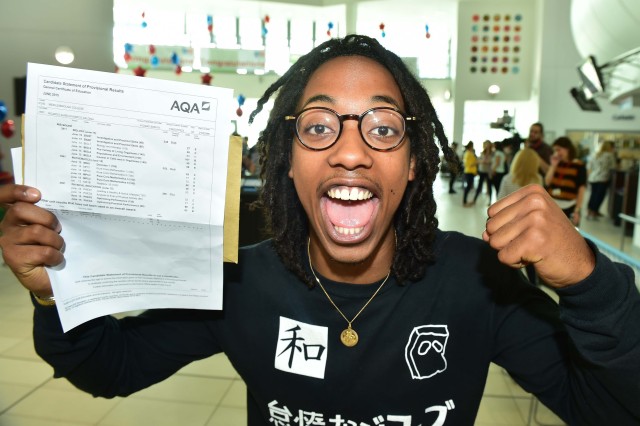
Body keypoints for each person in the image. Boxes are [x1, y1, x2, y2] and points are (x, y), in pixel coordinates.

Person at [0, 35, 639, 426]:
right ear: (288, 158)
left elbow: (610, 409)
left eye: (383, 128)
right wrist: (55, 292)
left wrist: (590, 282)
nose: (352, 153)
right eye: (319, 126)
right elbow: (110, 368)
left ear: (414, 164)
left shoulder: (478, 286)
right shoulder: (239, 281)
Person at [496, 147, 543, 284]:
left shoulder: (507, 179)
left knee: (511, 258)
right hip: (530, 226)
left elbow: (499, 202)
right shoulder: (538, 180)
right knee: (530, 260)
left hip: (510, 225)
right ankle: (533, 286)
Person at [545, 136, 587, 227]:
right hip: (553, 205)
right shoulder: (556, 163)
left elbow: (581, 189)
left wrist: (577, 210)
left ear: (567, 149)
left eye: (559, 150)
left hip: (569, 206)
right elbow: (547, 182)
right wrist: (553, 166)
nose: (557, 153)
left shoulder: (579, 165)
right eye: (555, 150)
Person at [586, 140, 616, 220]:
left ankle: (589, 211)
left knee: (593, 195)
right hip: (603, 178)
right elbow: (613, 167)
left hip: (593, 178)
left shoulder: (595, 154)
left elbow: (589, 167)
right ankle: (594, 212)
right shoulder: (610, 155)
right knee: (599, 196)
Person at [473, 140, 493, 205]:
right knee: (479, 186)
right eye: (485, 144)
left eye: (488, 144)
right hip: (482, 171)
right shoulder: (482, 153)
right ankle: (474, 200)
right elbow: (478, 161)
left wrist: (487, 162)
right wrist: (482, 161)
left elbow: (492, 161)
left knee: (489, 186)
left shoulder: (492, 153)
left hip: (488, 172)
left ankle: (490, 201)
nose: (486, 146)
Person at [462, 141, 477, 206]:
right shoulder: (468, 154)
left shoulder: (468, 153)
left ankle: (465, 201)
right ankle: (464, 202)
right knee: (468, 187)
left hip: (470, 172)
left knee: (469, 187)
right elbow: (469, 164)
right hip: (469, 172)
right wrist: (477, 162)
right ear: (471, 146)